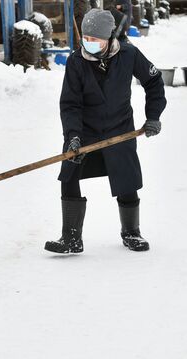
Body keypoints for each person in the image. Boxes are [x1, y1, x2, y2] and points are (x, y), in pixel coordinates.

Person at [45, 9, 166, 254]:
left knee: (126, 176)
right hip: (84, 130)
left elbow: (153, 81)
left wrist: (153, 116)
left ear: (109, 38)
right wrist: (73, 136)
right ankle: (70, 238)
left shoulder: (129, 54)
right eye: (85, 39)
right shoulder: (76, 61)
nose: (88, 44)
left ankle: (132, 232)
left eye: (94, 40)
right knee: (69, 173)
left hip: (119, 127)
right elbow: (70, 104)